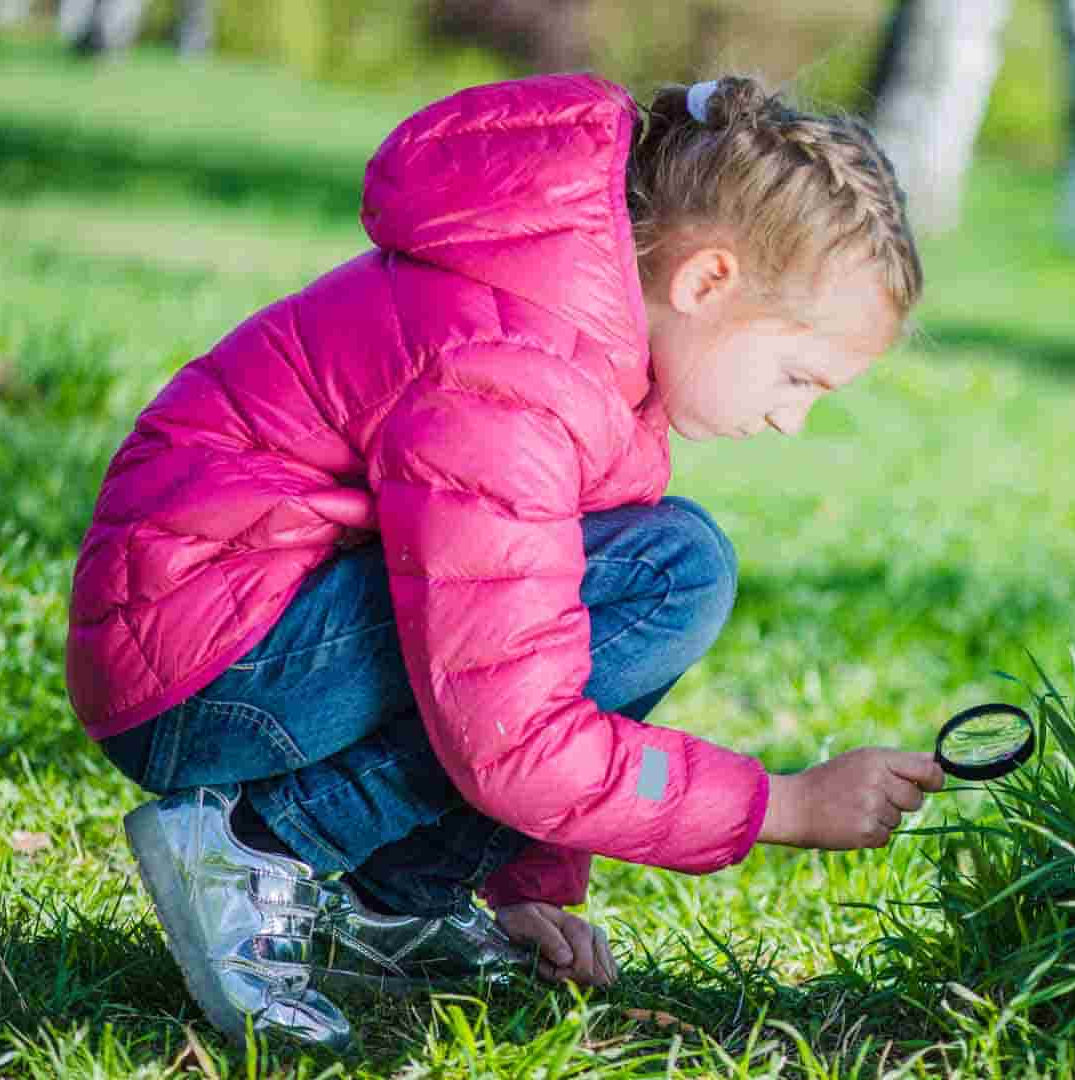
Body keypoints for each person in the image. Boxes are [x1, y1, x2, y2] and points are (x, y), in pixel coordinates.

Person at [64, 72, 940, 1052]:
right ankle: (247, 850)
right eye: (796, 376)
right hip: (204, 664)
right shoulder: (518, 371)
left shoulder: (582, 343)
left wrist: (519, 882)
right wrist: (783, 804)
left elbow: (526, 637)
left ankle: (396, 894)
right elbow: (509, 729)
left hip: (247, 636)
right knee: (668, 573)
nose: (791, 418)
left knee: (658, 564)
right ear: (707, 281)